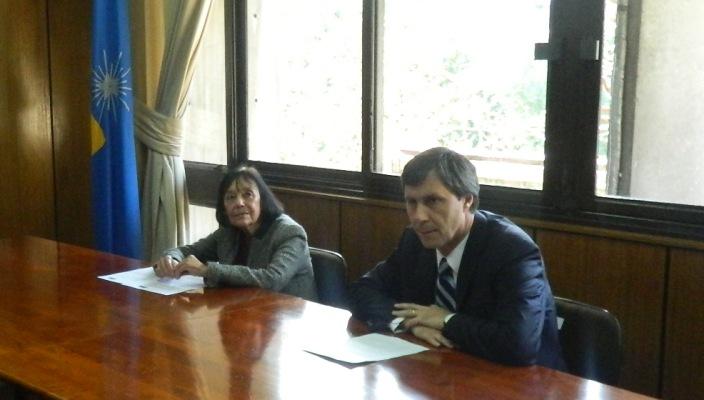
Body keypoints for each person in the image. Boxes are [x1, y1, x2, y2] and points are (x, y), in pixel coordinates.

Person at [348, 147, 565, 369]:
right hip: (447, 371)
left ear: (467, 200)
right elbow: (361, 291)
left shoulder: (512, 251)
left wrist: (444, 320)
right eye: (411, 202)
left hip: (527, 383)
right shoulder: (415, 241)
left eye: (433, 201)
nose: (419, 217)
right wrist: (409, 323)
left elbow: (519, 345)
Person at [154, 165, 317, 301]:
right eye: (230, 197)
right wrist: (171, 259)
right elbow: (189, 251)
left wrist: (206, 270)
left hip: (289, 322)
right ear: (223, 207)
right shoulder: (227, 232)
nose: (239, 203)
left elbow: (272, 279)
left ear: (262, 200)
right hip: (245, 314)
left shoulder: (289, 233)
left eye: (248, 195)